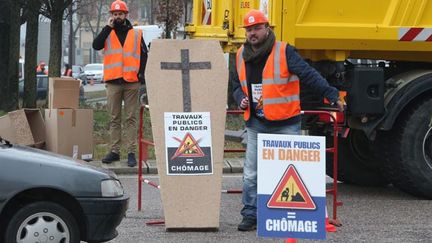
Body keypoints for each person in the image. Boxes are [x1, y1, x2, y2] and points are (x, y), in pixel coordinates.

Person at [232, 9, 344, 231]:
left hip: (285, 122)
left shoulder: (284, 51)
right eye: (249, 30)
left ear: (267, 29)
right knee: (251, 173)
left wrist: (332, 94)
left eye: (257, 28)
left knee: (292, 171)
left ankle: (294, 214)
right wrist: (240, 99)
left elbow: (309, 74)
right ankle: (250, 215)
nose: (252, 33)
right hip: (256, 123)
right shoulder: (239, 55)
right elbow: (236, 86)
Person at [92, 0, 148, 167]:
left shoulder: (136, 34)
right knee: (114, 118)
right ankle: (115, 151)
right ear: (112, 16)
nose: (117, 16)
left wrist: (141, 75)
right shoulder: (107, 32)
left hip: (131, 82)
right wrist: (107, 28)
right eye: (114, 14)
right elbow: (96, 45)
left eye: (120, 14)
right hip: (113, 82)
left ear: (125, 15)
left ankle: (131, 152)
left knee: (130, 118)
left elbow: (144, 55)